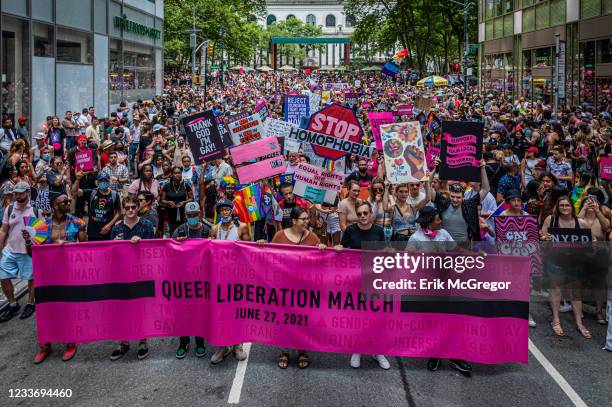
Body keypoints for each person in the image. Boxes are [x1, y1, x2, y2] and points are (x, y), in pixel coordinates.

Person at [406, 206, 472, 375]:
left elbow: (456, 250)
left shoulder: (443, 234)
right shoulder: (415, 238)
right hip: (427, 288)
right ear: (429, 221)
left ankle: (454, 355)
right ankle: (435, 354)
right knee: (434, 322)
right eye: (437, 219)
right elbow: (407, 262)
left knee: (451, 320)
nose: (440, 221)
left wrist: (475, 254)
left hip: (446, 285)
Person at [266, 206, 326, 369]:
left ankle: (302, 351)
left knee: (303, 320)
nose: (307, 221)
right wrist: (261, 245)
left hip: (305, 288)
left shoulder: (312, 237)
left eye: (308, 219)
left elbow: (320, 263)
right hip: (284, 287)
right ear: (293, 221)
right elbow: (269, 256)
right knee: (285, 320)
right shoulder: (279, 236)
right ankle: (285, 351)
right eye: (304, 219)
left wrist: (322, 249)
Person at [31, 194, 87, 364]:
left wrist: (70, 247)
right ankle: (45, 346)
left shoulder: (78, 222)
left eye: (69, 201)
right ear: (55, 205)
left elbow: (85, 250)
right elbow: (31, 253)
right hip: (46, 274)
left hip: (68, 273)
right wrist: (28, 242)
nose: (69, 203)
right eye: (65, 201)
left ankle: (70, 343)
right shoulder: (40, 225)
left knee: (67, 308)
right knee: (45, 309)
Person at [336, 201, 390, 370]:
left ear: (371, 214)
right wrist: (338, 247)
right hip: (355, 281)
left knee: (376, 318)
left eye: (365, 213)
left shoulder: (379, 231)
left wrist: (388, 251)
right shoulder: (351, 230)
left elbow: (382, 253)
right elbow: (342, 248)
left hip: (374, 280)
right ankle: (357, 350)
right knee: (358, 318)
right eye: (359, 214)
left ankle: (377, 351)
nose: (362, 217)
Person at [109, 196, 155, 361]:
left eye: (133, 207)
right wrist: (113, 244)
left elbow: (154, 251)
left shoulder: (147, 225)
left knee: (140, 309)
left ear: (138, 208)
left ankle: (143, 341)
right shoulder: (116, 228)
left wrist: (142, 244)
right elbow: (109, 254)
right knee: (122, 309)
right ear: (123, 209)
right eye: (127, 207)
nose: (130, 210)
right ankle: (123, 342)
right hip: (121, 275)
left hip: (141, 274)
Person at [540, 196, 592, 338]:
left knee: (576, 293)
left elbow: (590, 239)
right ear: (557, 207)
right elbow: (542, 235)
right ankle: (556, 320)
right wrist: (545, 238)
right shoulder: (551, 220)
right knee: (556, 290)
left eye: (567, 205)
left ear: (572, 207)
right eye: (561, 205)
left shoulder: (580, 222)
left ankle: (579, 323)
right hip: (556, 262)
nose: (564, 208)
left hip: (575, 263)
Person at [209, 199, 249, 364]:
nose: (225, 213)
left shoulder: (242, 227)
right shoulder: (214, 228)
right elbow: (208, 250)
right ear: (219, 212)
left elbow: (249, 250)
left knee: (237, 311)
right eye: (222, 210)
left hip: (237, 277)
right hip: (219, 277)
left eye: (227, 210)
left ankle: (238, 344)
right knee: (220, 312)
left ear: (232, 211)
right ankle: (223, 346)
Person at [171, 202, 210, 359]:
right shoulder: (179, 230)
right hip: (183, 279)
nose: (192, 218)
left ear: (200, 214)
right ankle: (183, 341)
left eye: (195, 215)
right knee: (183, 312)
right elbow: (170, 253)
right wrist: (177, 245)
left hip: (201, 279)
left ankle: (200, 341)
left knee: (200, 311)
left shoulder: (207, 231)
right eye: (189, 216)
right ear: (185, 216)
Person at [0, 182, 40, 322]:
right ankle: (12, 304)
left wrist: (32, 240)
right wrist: (0, 247)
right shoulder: (9, 209)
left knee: (31, 278)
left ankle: (30, 303)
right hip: (10, 250)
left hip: (27, 252)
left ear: (27, 193)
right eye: (16, 193)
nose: (18, 196)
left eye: (21, 193)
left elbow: (41, 234)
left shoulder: (35, 210)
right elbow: (4, 229)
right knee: (3, 276)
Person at [429, 159, 490, 242]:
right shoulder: (443, 202)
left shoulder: (469, 204)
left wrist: (482, 168)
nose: (455, 199)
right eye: (452, 196)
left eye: (458, 197)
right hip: (444, 246)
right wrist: (435, 169)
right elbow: (428, 187)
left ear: (463, 197)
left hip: (464, 248)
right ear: (449, 194)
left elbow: (485, 189)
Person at [71, 172, 122, 241]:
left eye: (105, 180)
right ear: (97, 182)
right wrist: (77, 180)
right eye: (101, 180)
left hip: (108, 232)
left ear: (109, 182)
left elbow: (118, 213)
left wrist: (109, 225)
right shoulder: (92, 192)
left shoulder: (114, 195)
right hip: (93, 233)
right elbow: (74, 192)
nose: (103, 182)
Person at [159, 166, 194, 235]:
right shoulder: (167, 186)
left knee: (183, 232)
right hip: (170, 214)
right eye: (175, 173)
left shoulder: (185, 185)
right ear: (172, 174)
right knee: (172, 233)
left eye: (179, 173)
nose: (177, 174)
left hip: (183, 214)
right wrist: (168, 202)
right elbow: (162, 200)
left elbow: (192, 198)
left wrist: (184, 202)